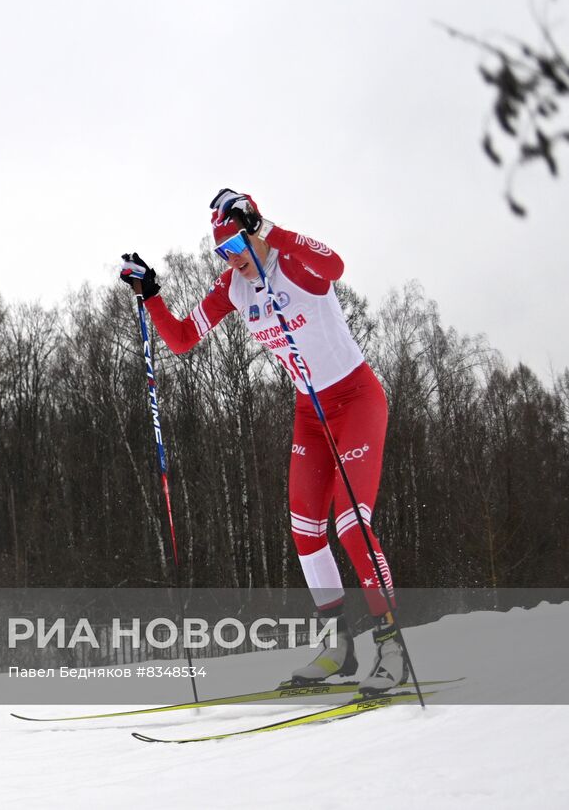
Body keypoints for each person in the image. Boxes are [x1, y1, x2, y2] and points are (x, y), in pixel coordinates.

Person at [119, 191, 406, 694]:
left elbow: (335, 265)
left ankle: (391, 645)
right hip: (310, 413)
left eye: (236, 244)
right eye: (221, 251)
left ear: (254, 230)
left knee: (351, 524)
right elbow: (185, 338)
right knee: (305, 529)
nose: (231, 259)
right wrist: (152, 295)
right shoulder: (234, 286)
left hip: (356, 400)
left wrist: (271, 230)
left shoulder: (294, 265)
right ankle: (338, 648)